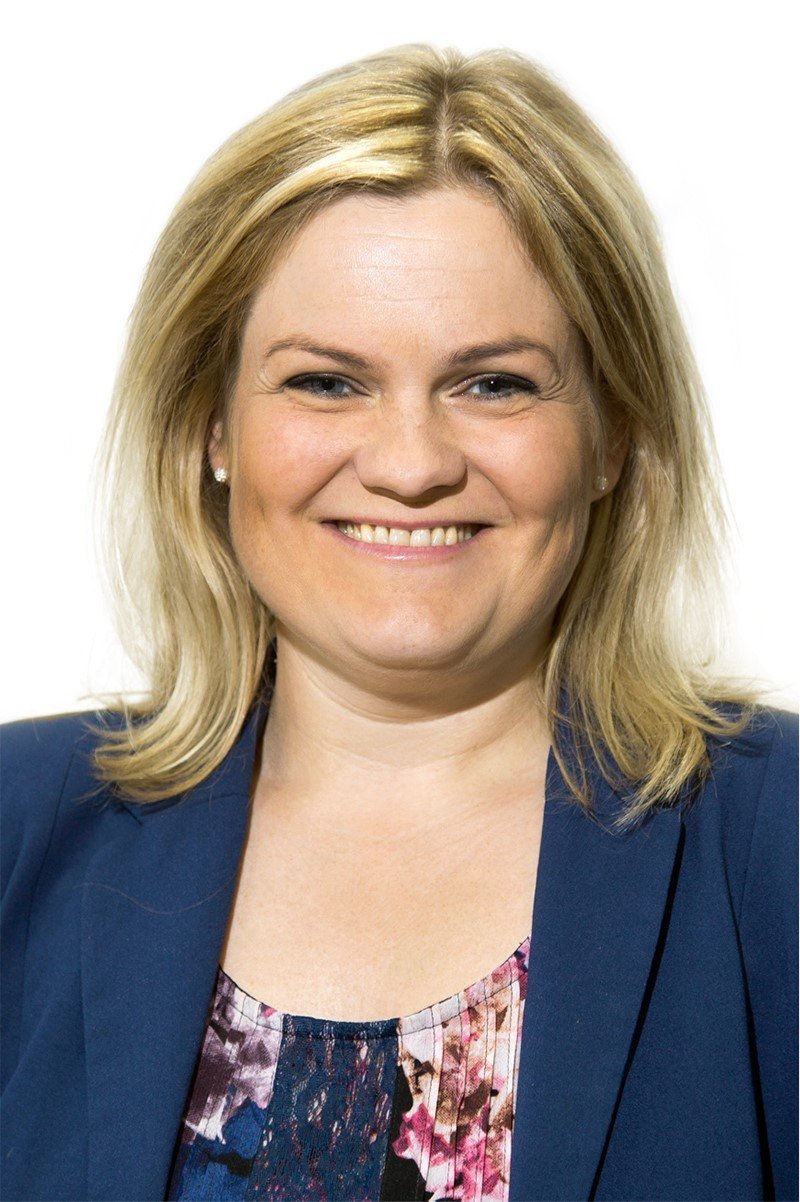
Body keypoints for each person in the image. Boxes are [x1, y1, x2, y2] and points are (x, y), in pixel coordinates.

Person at [1, 42, 796, 1202]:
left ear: (612, 433)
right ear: (211, 428)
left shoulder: (774, 843)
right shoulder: (15, 826)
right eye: (326, 381)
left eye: (493, 383)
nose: (411, 464)